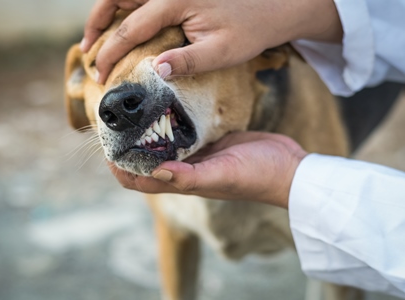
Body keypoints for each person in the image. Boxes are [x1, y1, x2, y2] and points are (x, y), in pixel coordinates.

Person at [81, 0, 405, 297]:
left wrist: (288, 178)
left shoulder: (290, 74)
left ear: (266, 58)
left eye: (185, 45)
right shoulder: (155, 141)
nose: (122, 92)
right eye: (100, 63)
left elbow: (351, 241)